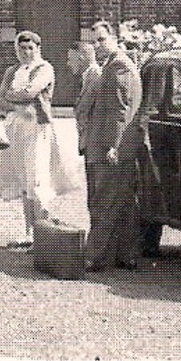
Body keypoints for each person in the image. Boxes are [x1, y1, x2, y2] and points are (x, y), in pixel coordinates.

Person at [0, 30, 76, 247]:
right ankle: (29, 232)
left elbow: (31, 93)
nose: (26, 53)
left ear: (38, 49)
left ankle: (43, 234)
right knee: (23, 179)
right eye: (22, 49)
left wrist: (15, 99)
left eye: (30, 48)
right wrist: (16, 103)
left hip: (37, 128)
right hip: (15, 128)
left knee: (37, 178)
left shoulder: (45, 68)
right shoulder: (12, 71)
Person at [83, 19, 147, 272]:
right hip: (118, 145)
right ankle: (126, 254)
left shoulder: (118, 66)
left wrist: (113, 145)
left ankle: (94, 256)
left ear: (114, 38)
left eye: (101, 40)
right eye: (94, 41)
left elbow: (121, 111)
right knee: (123, 202)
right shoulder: (113, 64)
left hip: (115, 147)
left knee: (105, 201)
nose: (97, 45)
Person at [71, 39, 103, 223]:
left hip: (94, 142)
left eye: (71, 59)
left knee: (96, 193)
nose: (69, 64)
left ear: (81, 57)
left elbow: (83, 107)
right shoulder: (88, 76)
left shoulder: (95, 76)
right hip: (89, 141)